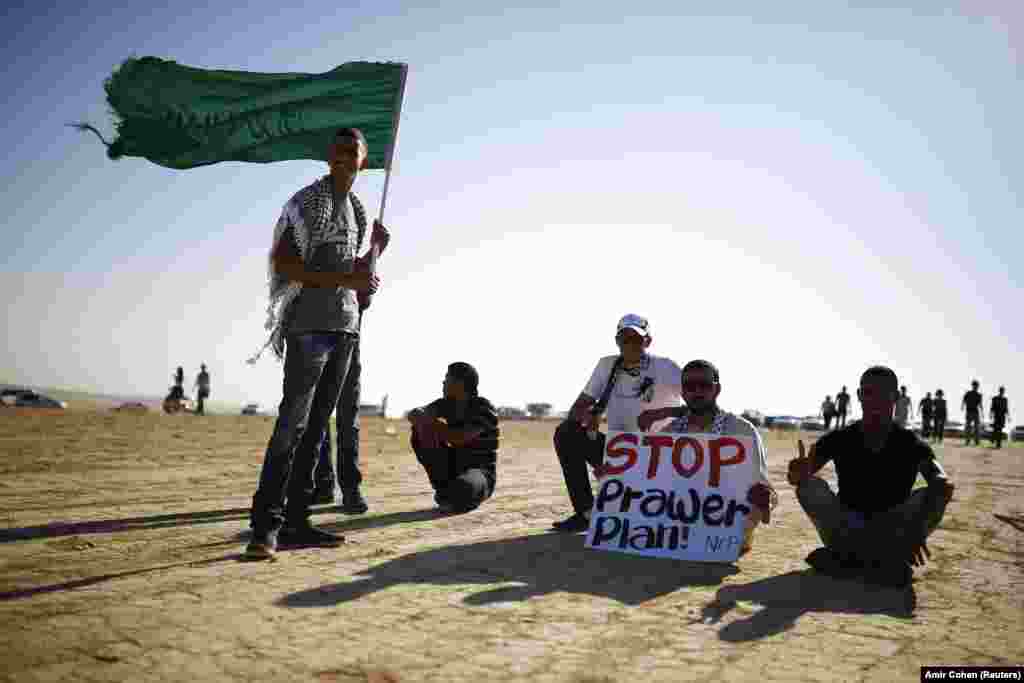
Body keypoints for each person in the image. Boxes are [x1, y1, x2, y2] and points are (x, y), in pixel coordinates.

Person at [245, 127, 390, 560]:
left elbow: (353, 277)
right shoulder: (310, 201)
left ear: (365, 159)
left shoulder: (359, 211)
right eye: (340, 151)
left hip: (346, 328)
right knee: (292, 424)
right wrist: (348, 277)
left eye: (354, 151)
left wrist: (374, 259)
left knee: (316, 430)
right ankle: (263, 527)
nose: (346, 157)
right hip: (308, 327)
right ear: (329, 158)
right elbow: (285, 263)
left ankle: (296, 522)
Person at [787, 366, 955, 587]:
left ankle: (853, 561)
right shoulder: (839, 438)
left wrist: (916, 533)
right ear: (859, 396)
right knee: (809, 487)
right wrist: (797, 472)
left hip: (894, 532)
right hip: (846, 528)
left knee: (935, 492)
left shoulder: (910, 443)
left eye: (883, 393)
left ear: (895, 397)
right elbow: (801, 474)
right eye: (868, 393)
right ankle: (864, 560)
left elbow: (943, 483)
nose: (875, 400)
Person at [551, 314, 683, 533]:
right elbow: (578, 408)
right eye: (624, 339)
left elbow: (700, 409)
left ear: (648, 341)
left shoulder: (666, 367)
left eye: (636, 339)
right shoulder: (607, 365)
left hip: (659, 458)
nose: (629, 344)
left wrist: (661, 413)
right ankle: (586, 512)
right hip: (620, 454)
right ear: (617, 341)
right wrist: (590, 417)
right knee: (566, 432)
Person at [644, 360, 777, 557]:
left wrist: (767, 498)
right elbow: (645, 478)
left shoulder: (742, 430)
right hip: (680, 518)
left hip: (723, 524)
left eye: (704, 385)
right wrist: (615, 473)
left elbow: (765, 488)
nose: (697, 391)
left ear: (717, 389)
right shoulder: (669, 432)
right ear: (682, 392)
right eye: (690, 386)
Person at [407, 362, 499, 513]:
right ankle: (444, 489)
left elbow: (460, 437)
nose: (443, 383)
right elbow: (414, 414)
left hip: (480, 472)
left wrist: (429, 421)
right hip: (454, 466)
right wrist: (422, 418)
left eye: (447, 378)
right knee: (419, 430)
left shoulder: (483, 407)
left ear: (460, 383)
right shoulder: (445, 404)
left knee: (464, 487)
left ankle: (453, 495)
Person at [961, 380, 983, 447]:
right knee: (968, 427)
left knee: (976, 428)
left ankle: (976, 441)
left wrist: (982, 411)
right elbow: (964, 400)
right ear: (972, 386)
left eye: (976, 386)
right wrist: (962, 406)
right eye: (974, 385)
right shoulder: (968, 393)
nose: (975, 387)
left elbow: (980, 404)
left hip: (975, 412)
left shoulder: (979, 395)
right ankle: (967, 441)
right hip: (969, 411)